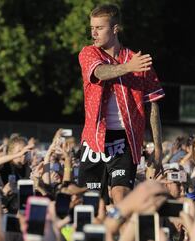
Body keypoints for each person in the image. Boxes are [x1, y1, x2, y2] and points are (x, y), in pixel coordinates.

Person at [77, 4, 165, 204]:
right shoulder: (89, 53)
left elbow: (153, 106)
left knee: (121, 195)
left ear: (115, 29)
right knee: (90, 203)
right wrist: (128, 67)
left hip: (124, 139)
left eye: (99, 28)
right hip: (95, 138)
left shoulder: (139, 62)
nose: (93, 33)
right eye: (92, 28)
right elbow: (100, 73)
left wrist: (158, 149)